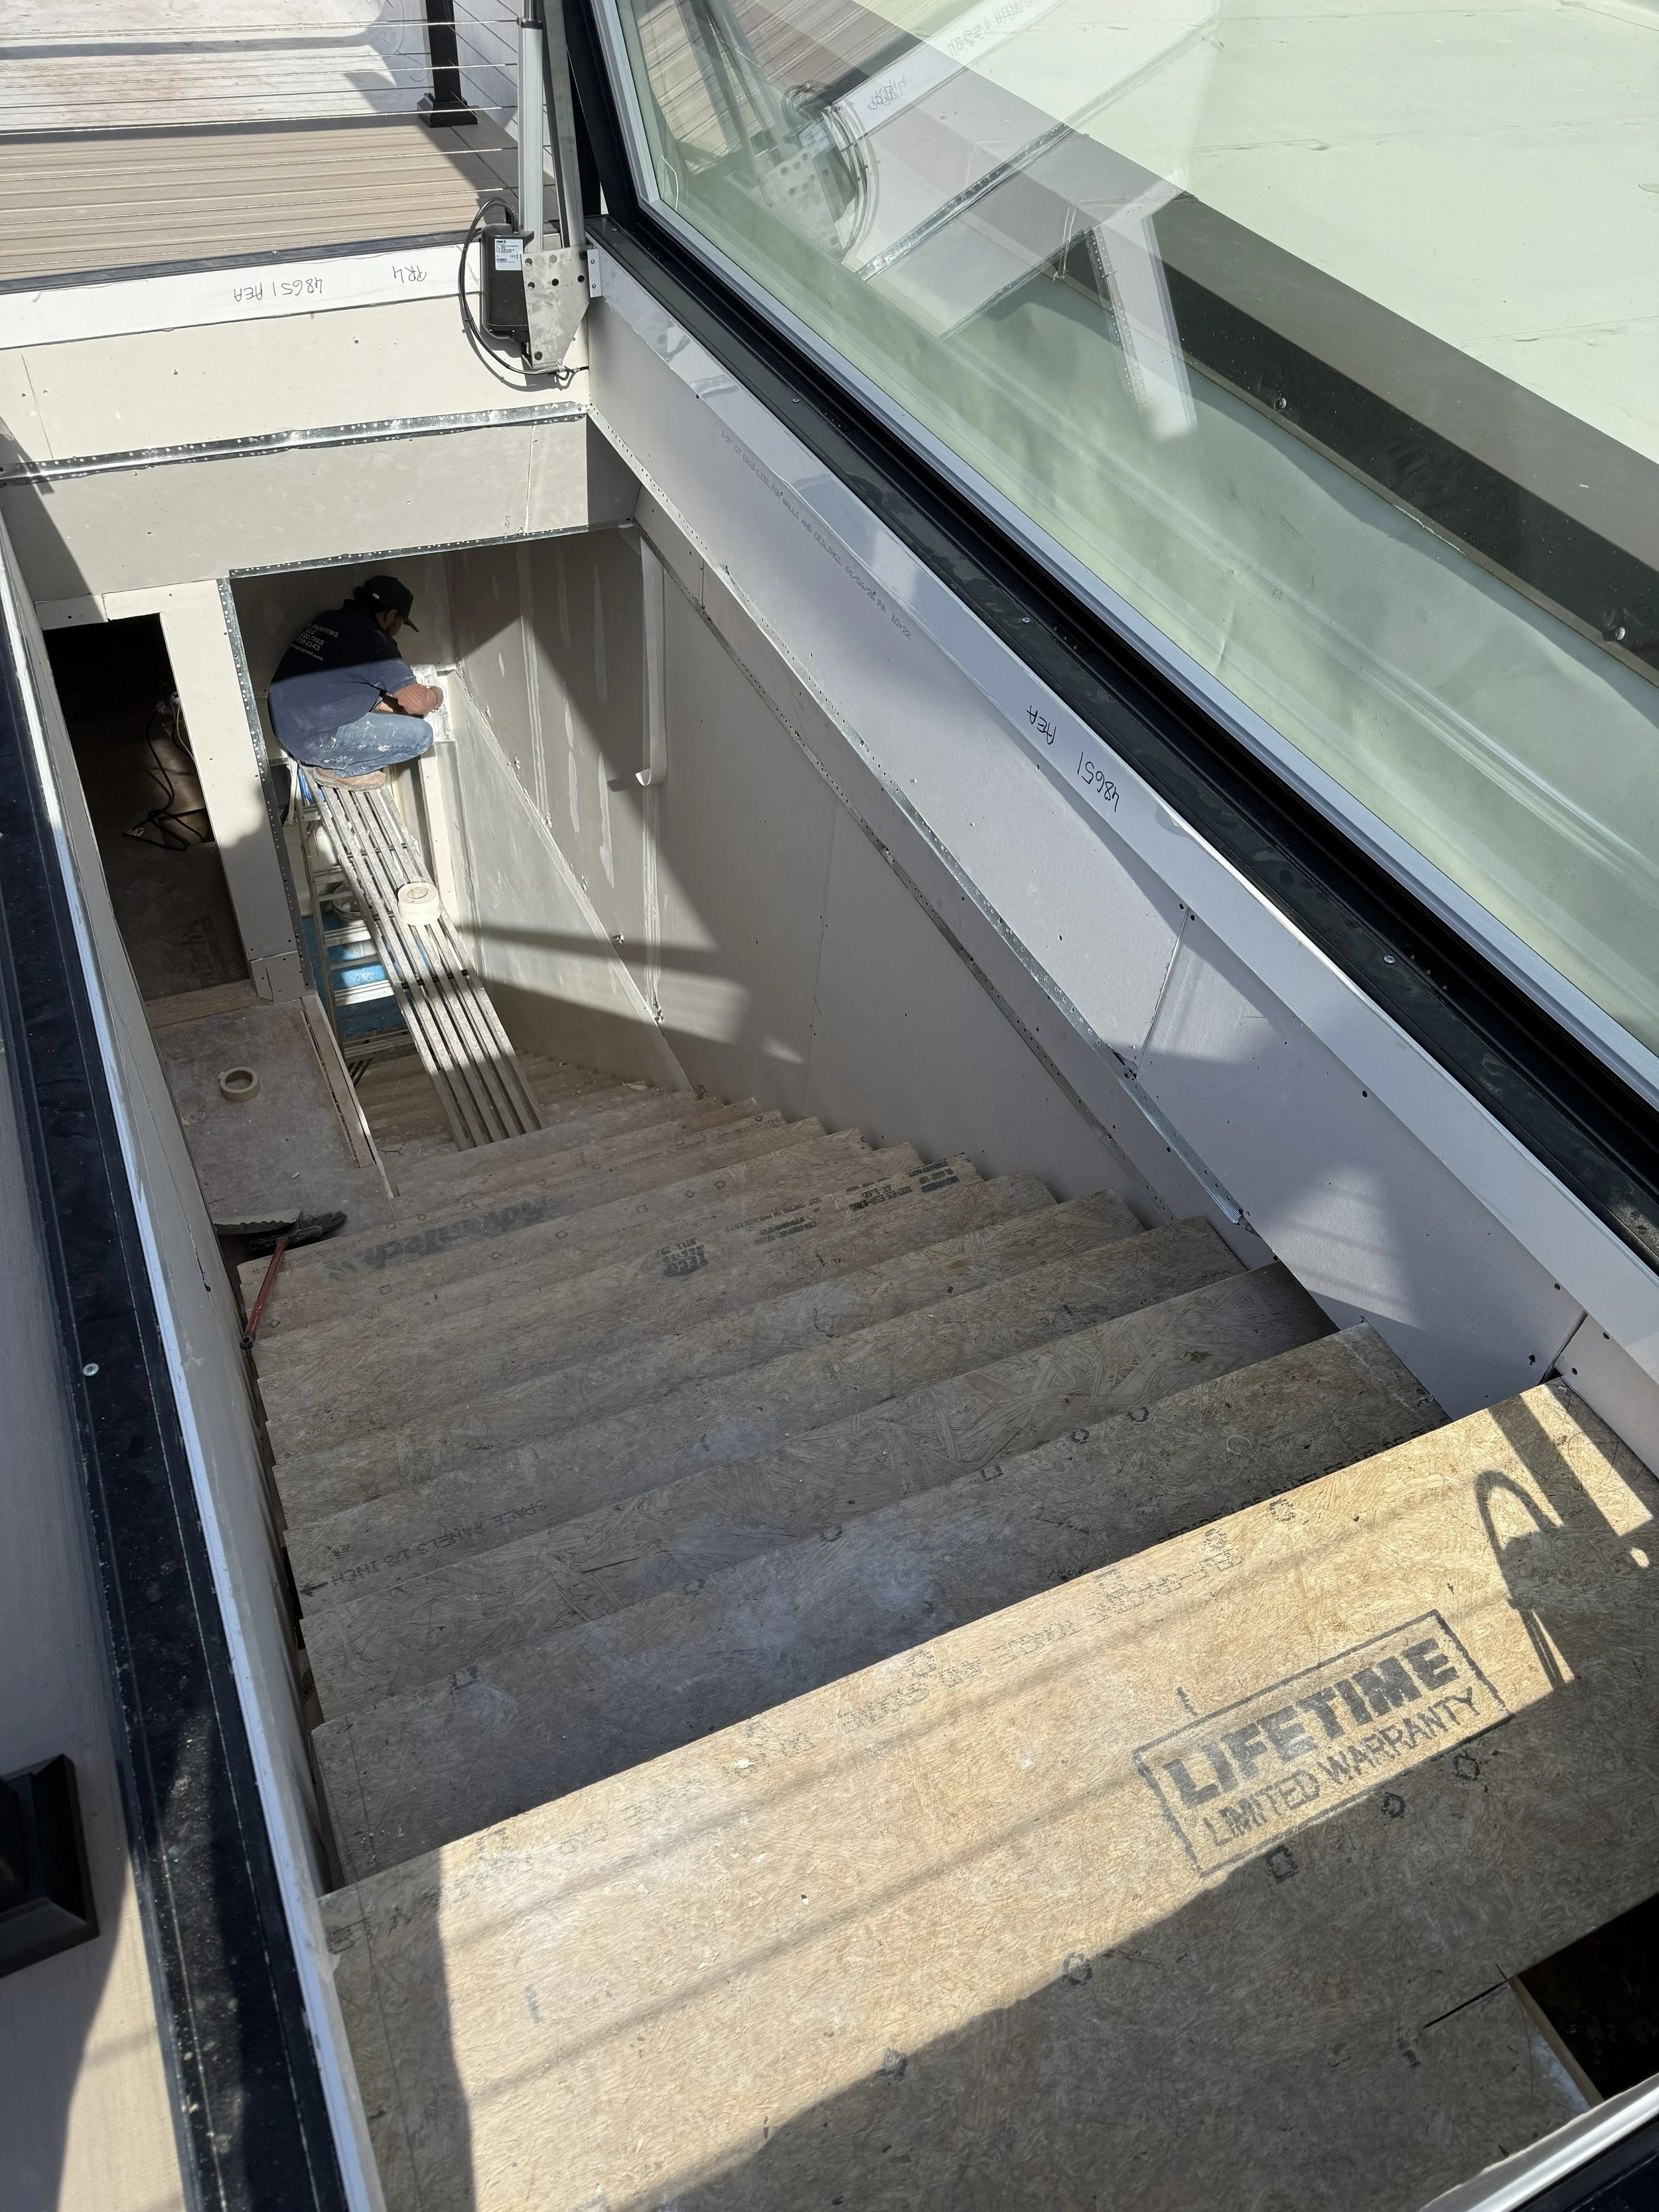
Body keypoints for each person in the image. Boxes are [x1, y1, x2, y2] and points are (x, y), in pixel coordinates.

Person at [267, 574, 445, 789]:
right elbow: (418, 703)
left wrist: (400, 709)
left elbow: (353, 689)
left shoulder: (329, 619)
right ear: (391, 615)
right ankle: (337, 770)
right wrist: (435, 695)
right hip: (314, 741)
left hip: (283, 724)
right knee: (421, 736)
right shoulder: (374, 643)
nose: (398, 629)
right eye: (401, 623)